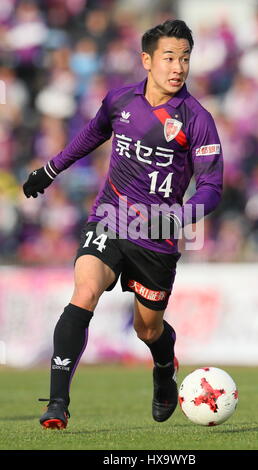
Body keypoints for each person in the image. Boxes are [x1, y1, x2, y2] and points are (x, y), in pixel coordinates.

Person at [23, 19, 223, 429]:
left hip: (157, 238)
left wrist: (177, 218)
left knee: (147, 329)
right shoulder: (120, 101)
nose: (178, 67)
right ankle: (57, 403)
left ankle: (164, 368)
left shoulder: (197, 118)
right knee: (85, 291)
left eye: (185, 58)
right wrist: (50, 169)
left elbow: (212, 187)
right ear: (147, 60)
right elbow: (91, 134)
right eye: (169, 57)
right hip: (110, 218)